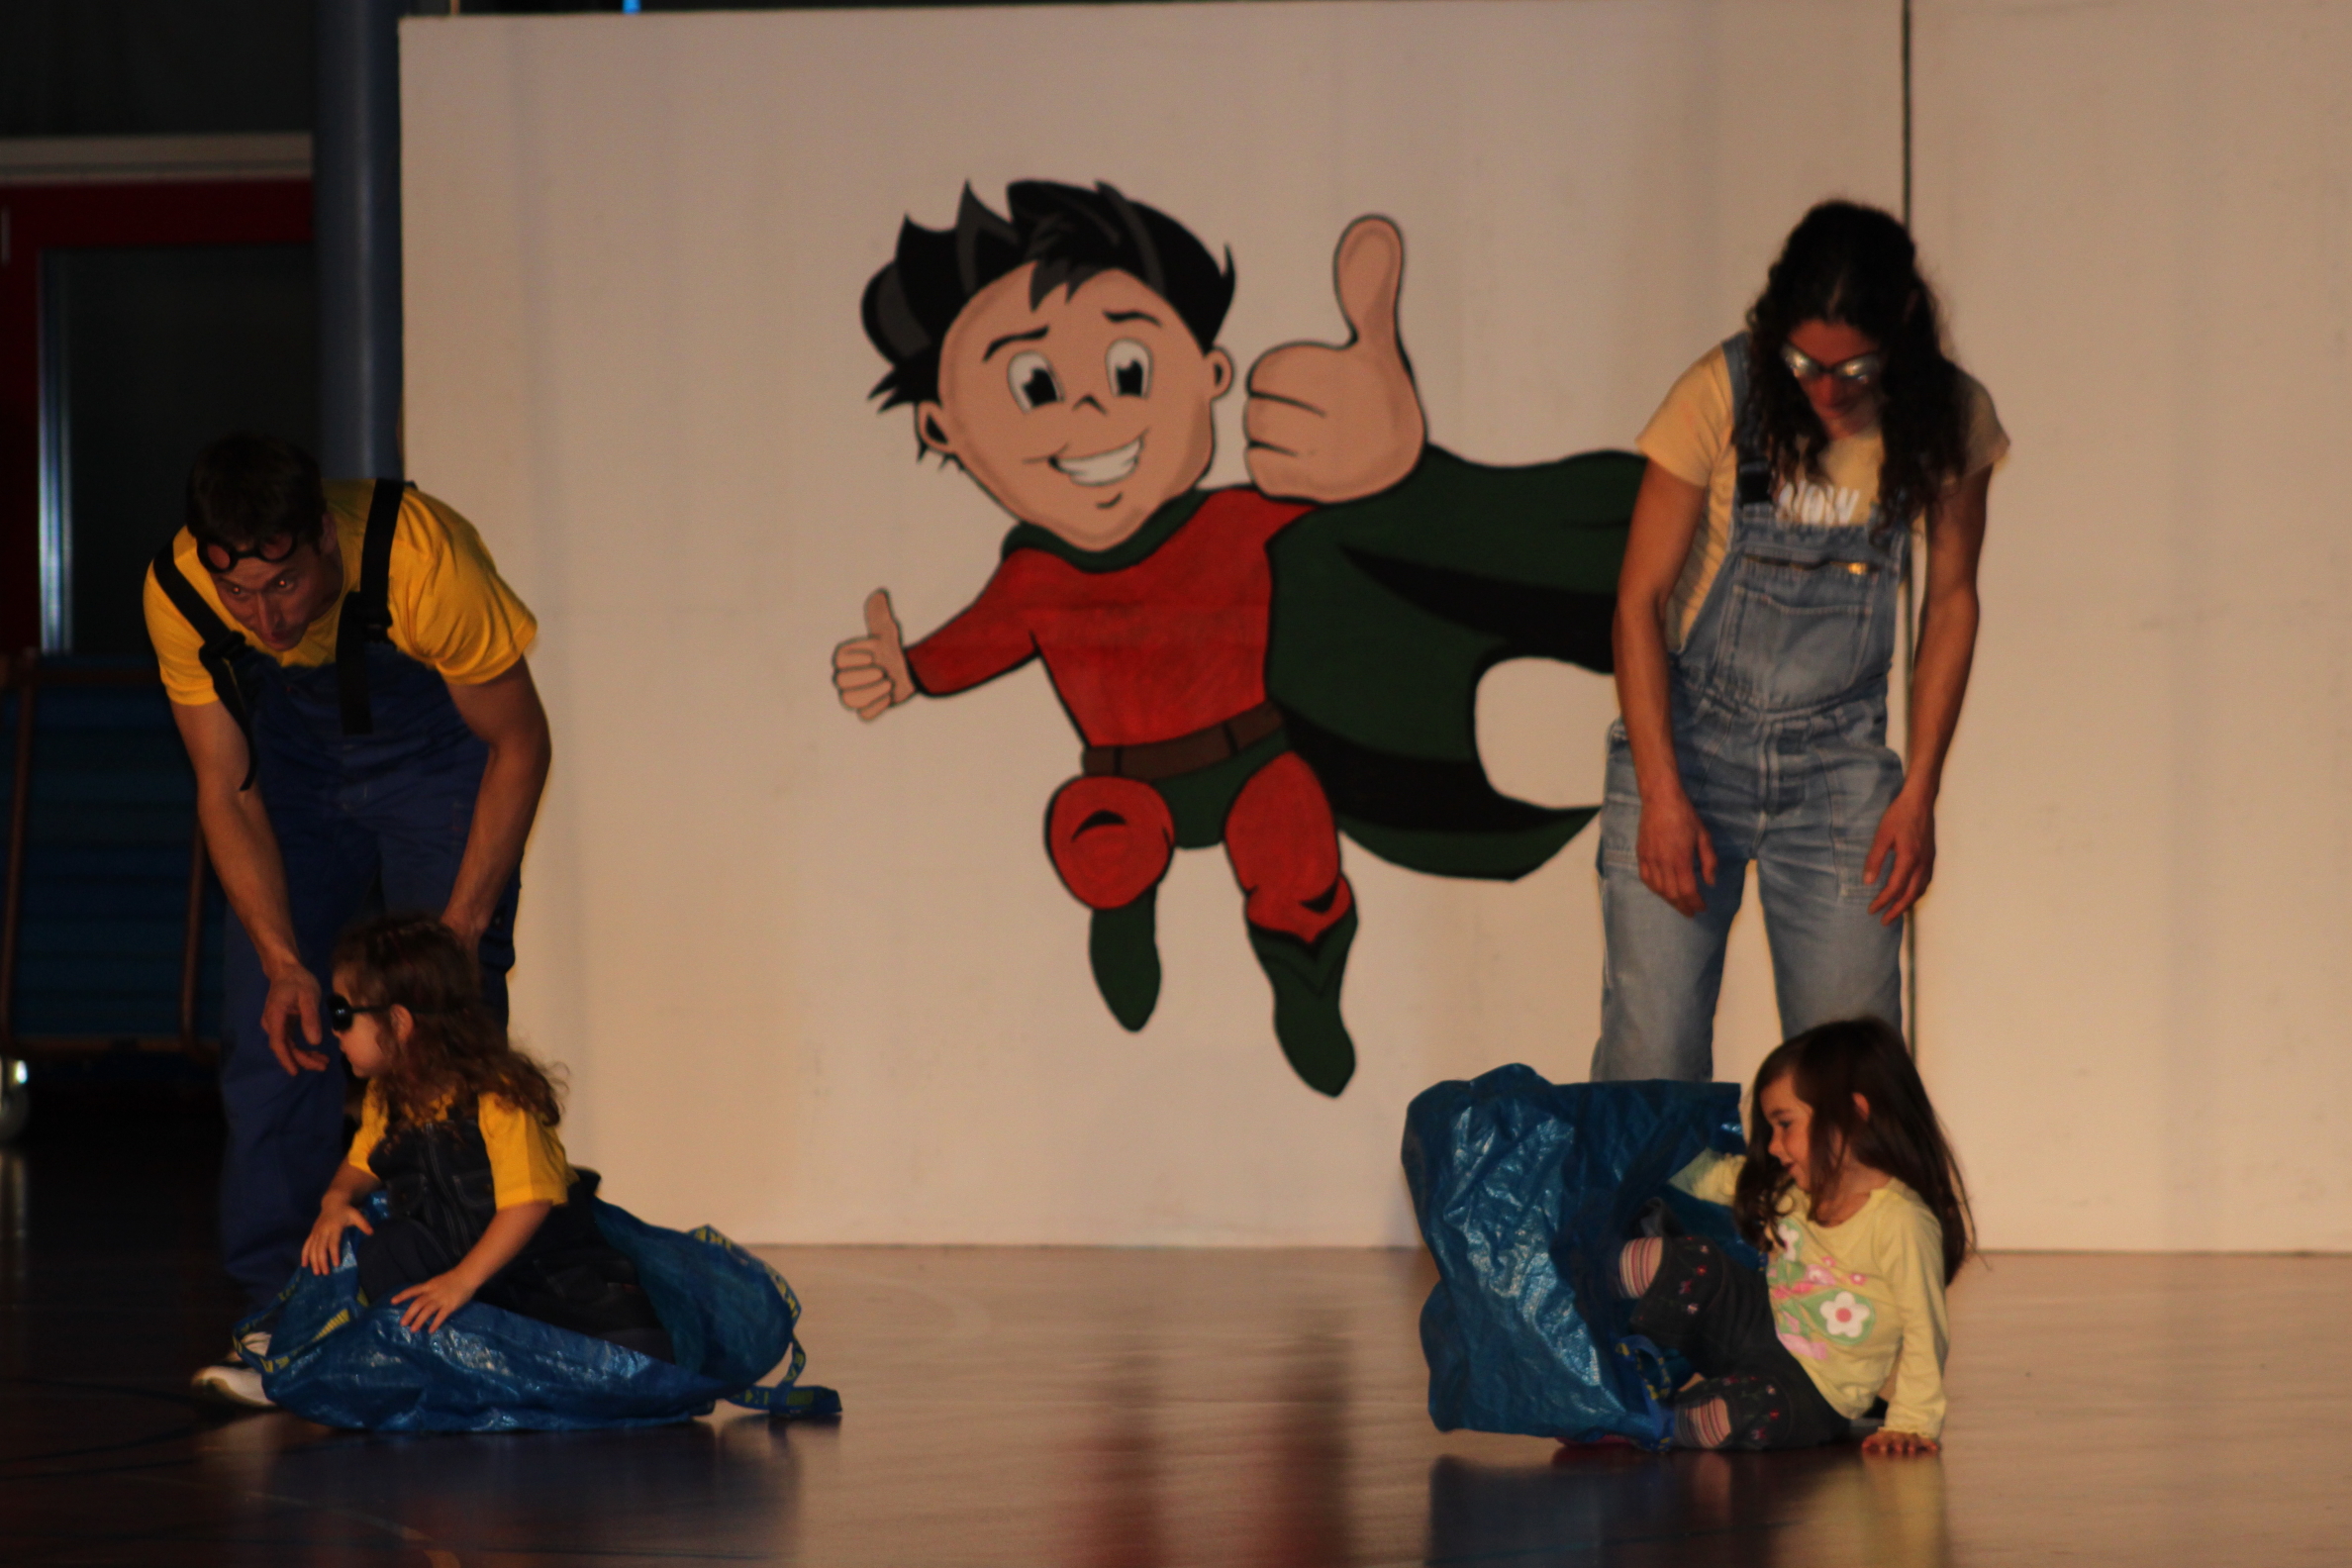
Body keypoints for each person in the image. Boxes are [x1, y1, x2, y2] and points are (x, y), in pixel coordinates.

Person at [835, 181, 1630, 1096]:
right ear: (943, 426)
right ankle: (1123, 913)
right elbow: (970, 645)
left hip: (1255, 754)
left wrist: (1387, 461)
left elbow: (1359, 519)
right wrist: (905, 670)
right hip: (1129, 778)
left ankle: (1307, 986)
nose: (1089, 413)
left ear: (1211, 373)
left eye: (1128, 369)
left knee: (1296, 851)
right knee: (1096, 833)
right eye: (1035, 386)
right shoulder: (1034, 579)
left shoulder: (1238, 522)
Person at [144, 435, 551, 1406]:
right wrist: (283, 959)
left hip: (438, 758)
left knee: (439, 1034)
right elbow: (224, 785)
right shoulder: (179, 591)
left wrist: (460, 929)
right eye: (240, 594)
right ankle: (285, 1314)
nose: (265, 616)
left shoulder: (421, 560)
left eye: (283, 585)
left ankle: (455, 1309)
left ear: (324, 537)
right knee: (276, 1029)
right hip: (292, 769)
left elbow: (519, 744)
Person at [1593, 201, 2007, 1081]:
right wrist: (1660, 793)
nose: (1826, 390)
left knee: (1850, 1070)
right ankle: (1653, 1194)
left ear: (1901, 328)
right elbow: (1638, 601)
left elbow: (1951, 602)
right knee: (1652, 1059)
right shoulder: (1723, 392)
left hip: (1838, 763)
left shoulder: (1947, 415)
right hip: (1690, 744)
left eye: (1853, 368)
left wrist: (1920, 790)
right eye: (1804, 364)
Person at [303, 913, 671, 1361]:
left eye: (341, 1013)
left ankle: (492, 1352)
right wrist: (335, 1200)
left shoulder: (499, 1097)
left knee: (637, 1354)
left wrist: (462, 1281)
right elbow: (362, 1162)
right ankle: (441, 1354)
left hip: (540, 1276)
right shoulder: (386, 1096)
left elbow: (529, 1203)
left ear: (398, 1022)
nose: (334, 1031)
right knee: (387, 1247)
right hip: (461, 1282)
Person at [1615, 1016, 1972, 1453]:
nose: (1772, 1146)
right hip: (1757, 1329)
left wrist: (1913, 1422)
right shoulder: (1792, 1189)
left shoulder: (1901, 1222)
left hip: (1814, 1391)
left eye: (1785, 1125)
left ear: (1853, 1117)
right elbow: (1710, 1177)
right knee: (1678, 1259)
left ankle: (1638, 1419)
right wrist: (1644, 1144)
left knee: (1738, 1414)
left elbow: (1924, 1328)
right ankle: (1607, 1367)